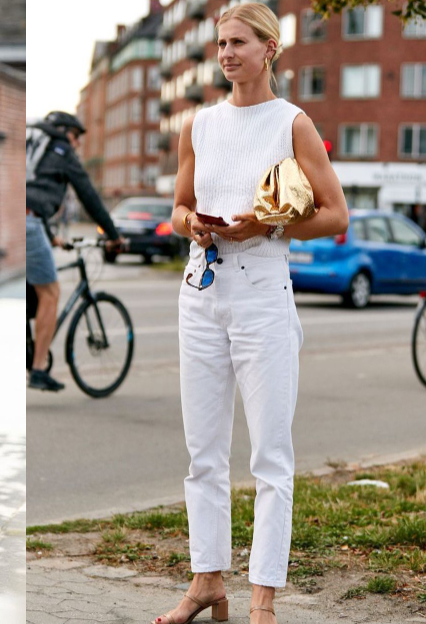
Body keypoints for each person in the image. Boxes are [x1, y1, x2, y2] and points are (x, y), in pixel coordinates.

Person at [155, 5, 347, 624]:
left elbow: (335, 214)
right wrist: (199, 226)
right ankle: (207, 580)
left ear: (270, 49)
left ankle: (264, 598)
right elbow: (181, 206)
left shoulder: (293, 122)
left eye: (239, 42)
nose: (226, 53)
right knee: (202, 453)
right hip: (201, 293)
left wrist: (264, 222)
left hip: (264, 296)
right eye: (221, 44)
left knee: (271, 454)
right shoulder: (198, 127)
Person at [25, 111, 123, 392]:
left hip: (25, 220)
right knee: (51, 292)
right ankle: (39, 369)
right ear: (64, 131)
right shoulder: (61, 149)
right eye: (77, 136)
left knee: (33, 289)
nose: (77, 143)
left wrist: (52, 236)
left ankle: (28, 348)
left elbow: (32, 192)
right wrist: (113, 235)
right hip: (29, 222)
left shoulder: (33, 141)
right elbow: (88, 195)